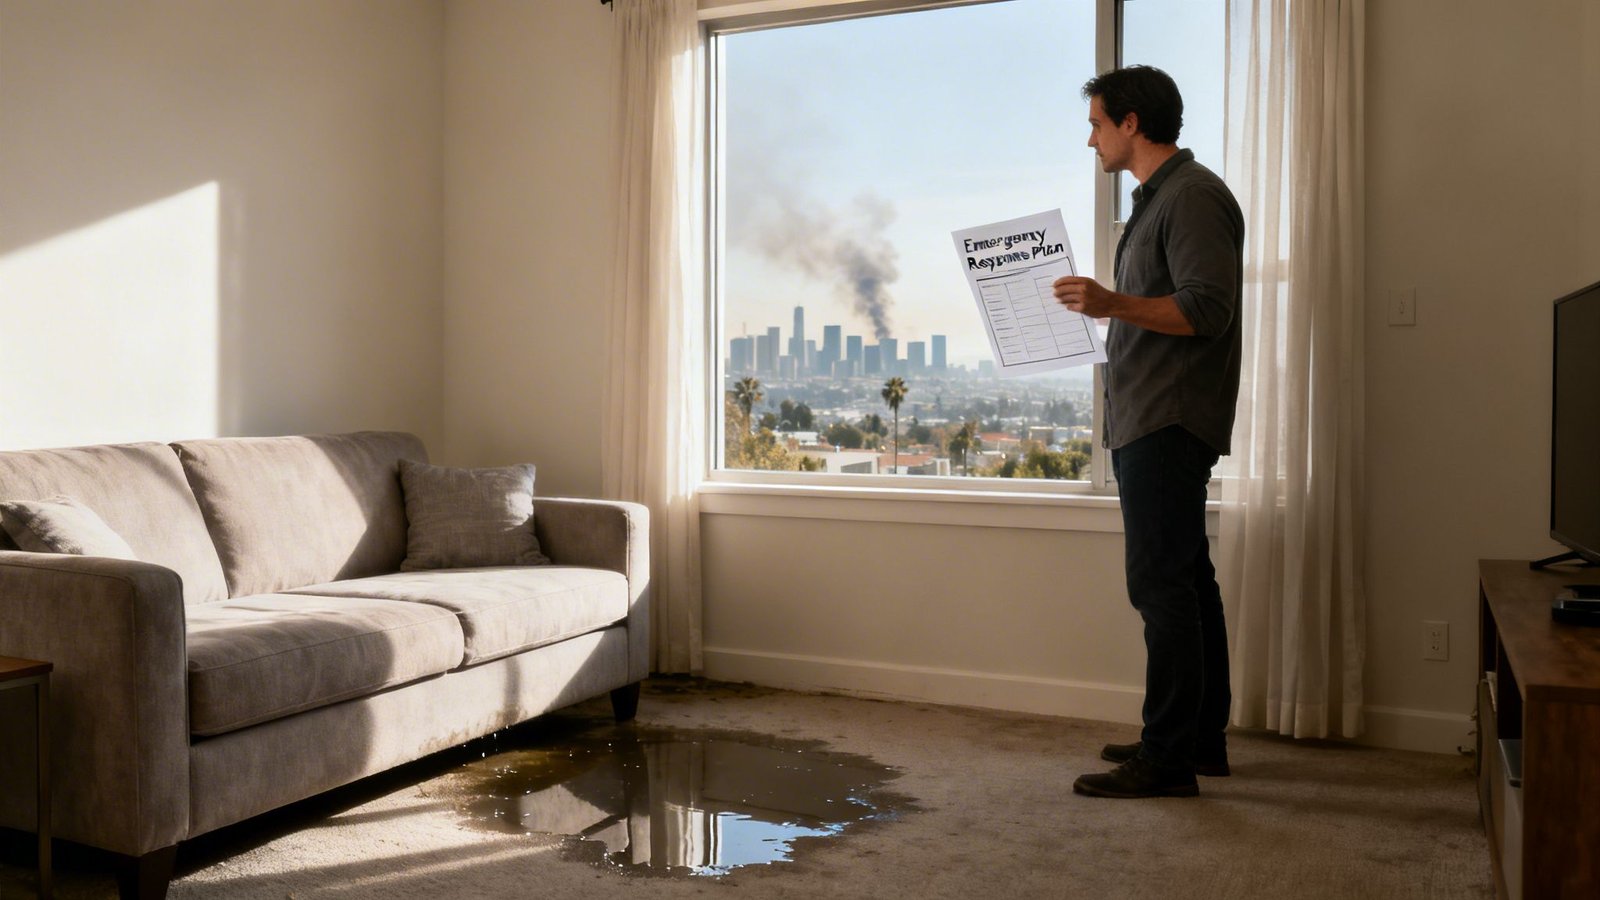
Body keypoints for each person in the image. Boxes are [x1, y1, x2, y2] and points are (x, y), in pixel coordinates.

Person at [1053, 65, 1244, 799]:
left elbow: (1206, 309)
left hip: (1168, 415)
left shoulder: (1192, 197)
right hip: (1150, 414)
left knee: (1160, 586)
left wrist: (1112, 302)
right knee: (1188, 580)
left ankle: (1168, 758)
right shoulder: (1159, 200)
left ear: (1131, 122)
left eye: (1097, 122)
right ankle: (1196, 739)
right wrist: (1108, 307)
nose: (1091, 137)